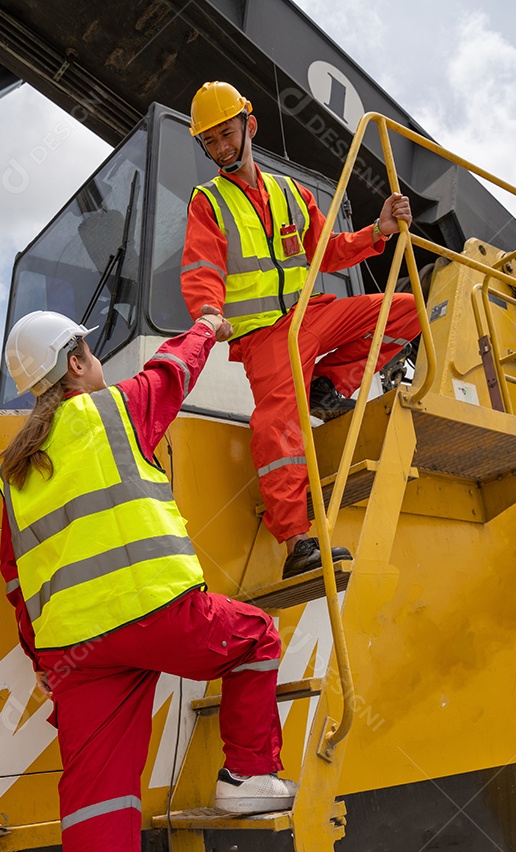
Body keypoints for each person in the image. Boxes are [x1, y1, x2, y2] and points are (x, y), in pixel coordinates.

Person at [0, 308, 296, 852]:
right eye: (92, 355)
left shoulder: (14, 474)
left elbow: (16, 581)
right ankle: (248, 773)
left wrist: (45, 658)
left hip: (77, 650)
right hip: (153, 607)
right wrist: (210, 328)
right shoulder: (112, 410)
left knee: (97, 796)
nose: (100, 364)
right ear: (76, 365)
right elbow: (174, 372)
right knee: (255, 636)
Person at [181, 81, 421, 579]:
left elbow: (328, 251)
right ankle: (297, 544)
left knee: (405, 309)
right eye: (211, 142)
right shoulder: (208, 201)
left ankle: (328, 386)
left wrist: (377, 231)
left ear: (250, 125)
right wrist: (208, 312)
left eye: (227, 134)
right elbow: (202, 265)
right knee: (275, 425)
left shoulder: (292, 192)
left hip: (312, 314)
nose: (222, 148)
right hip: (266, 336)